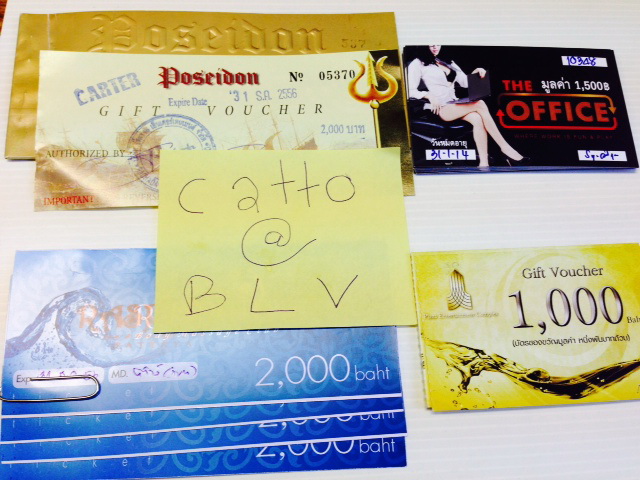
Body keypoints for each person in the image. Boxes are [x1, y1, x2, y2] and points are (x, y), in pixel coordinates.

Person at [417, 45, 526, 168]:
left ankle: (484, 163)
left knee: (477, 118)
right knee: (480, 104)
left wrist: (476, 72)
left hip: (453, 104)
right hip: (438, 108)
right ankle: (505, 148)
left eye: (437, 44)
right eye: (431, 44)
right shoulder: (418, 63)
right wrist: (428, 96)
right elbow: (409, 90)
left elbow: (464, 82)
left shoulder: (447, 62)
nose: (435, 46)